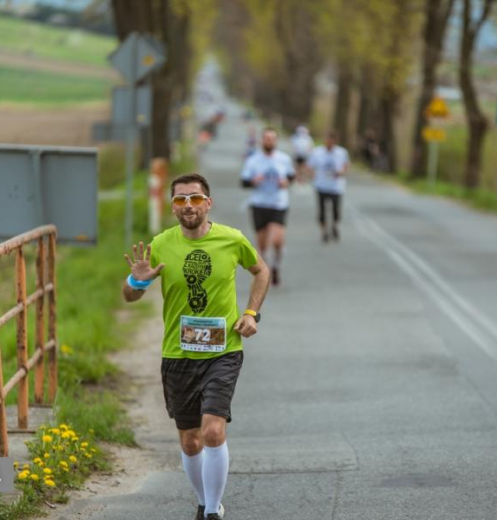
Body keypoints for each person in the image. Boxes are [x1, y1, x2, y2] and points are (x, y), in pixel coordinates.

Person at [122, 173, 270, 520]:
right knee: (190, 440)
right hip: (178, 353)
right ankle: (204, 501)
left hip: (223, 350)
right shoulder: (161, 244)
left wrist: (251, 313)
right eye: (180, 200)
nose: (188, 205)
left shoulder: (231, 240)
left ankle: (214, 512)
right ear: (173, 207)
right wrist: (135, 281)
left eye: (194, 198)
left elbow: (260, 270)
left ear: (208, 203)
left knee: (213, 430)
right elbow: (129, 297)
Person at [240, 127, 295, 286]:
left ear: (276, 141)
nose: (269, 141)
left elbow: (291, 176)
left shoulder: (284, 159)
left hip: (279, 203)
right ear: (261, 140)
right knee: (262, 244)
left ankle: (276, 266)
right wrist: (253, 181)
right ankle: (264, 271)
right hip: (259, 204)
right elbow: (243, 182)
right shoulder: (253, 160)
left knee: (277, 239)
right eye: (266, 138)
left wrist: (286, 182)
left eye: (272, 139)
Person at [308, 130, 350, 243]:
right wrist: (313, 175)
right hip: (321, 185)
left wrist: (342, 172)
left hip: (336, 186)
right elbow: (310, 166)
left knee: (336, 210)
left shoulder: (342, 152)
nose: (329, 143)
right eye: (327, 141)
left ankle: (335, 225)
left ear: (335, 142)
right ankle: (324, 231)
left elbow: (346, 165)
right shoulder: (317, 152)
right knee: (322, 211)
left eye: (331, 141)